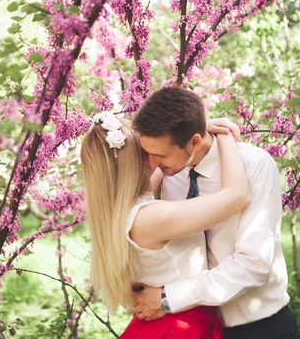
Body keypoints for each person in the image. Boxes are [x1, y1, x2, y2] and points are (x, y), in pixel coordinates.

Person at [130, 87, 300, 339]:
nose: (152, 163)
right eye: (149, 154)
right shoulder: (170, 171)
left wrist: (167, 298)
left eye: (160, 155)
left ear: (194, 142)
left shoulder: (253, 165)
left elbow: (255, 264)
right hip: (194, 328)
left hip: (258, 328)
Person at [80, 109, 250, 338]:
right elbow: (238, 195)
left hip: (165, 324)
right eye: (145, 150)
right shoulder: (151, 218)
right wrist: (225, 135)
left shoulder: (118, 209)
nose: (154, 155)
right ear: (133, 164)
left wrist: (192, 132)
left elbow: (162, 164)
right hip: (179, 327)